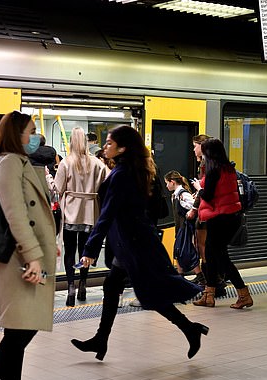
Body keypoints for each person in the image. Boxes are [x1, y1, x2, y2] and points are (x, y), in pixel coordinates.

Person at [70, 126, 206, 361]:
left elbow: (107, 214)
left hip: (134, 243)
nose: (105, 146)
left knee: (149, 294)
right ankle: (101, 340)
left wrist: (90, 249)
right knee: (117, 287)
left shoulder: (123, 173)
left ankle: (189, 329)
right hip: (132, 241)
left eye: (110, 143)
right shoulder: (131, 169)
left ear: (122, 148)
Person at [0, 111, 57, 380]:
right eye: (31, 131)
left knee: (19, 330)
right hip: (16, 260)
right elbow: (15, 214)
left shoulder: (16, 161)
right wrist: (33, 256)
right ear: (16, 134)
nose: (36, 137)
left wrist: (47, 241)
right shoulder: (8, 163)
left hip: (19, 257)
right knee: (22, 329)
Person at [191, 138, 252, 309]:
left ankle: (243, 293)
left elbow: (208, 195)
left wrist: (198, 187)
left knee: (220, 257)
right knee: (211, 255)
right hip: (230, 217)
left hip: (219, 218)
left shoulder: (213, 171)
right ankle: (209, 295)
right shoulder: (228, 168)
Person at [54, 127, 106, 306]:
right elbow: (105, 183)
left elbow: (58, 189)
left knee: (70, 251)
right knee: (86, 251)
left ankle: (70, 287)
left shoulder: (66, 163)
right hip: (90, 212)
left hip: (70, 213)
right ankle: (83, 284)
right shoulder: (97, 163)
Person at [187, 134, 226, 296]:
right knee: (210, 249)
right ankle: (212, 283)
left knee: (205, 249)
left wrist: (195, 206)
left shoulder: (207, 165)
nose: (193, 149)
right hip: (210, 211)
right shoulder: (217, 165)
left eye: (195, 145)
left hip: (207, 212)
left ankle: (213, 284)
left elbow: (207, 192)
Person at [164, 170, 203, 283]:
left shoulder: (182, 194)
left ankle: (198, 277)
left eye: (167, 183)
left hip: (185, 228)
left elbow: (194, 206)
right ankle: (182, 277)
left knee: (184, 251)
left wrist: (190, 212)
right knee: (179, 252)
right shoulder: (176, 195)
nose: (166, 185)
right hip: (181, 228)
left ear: (172, 182)